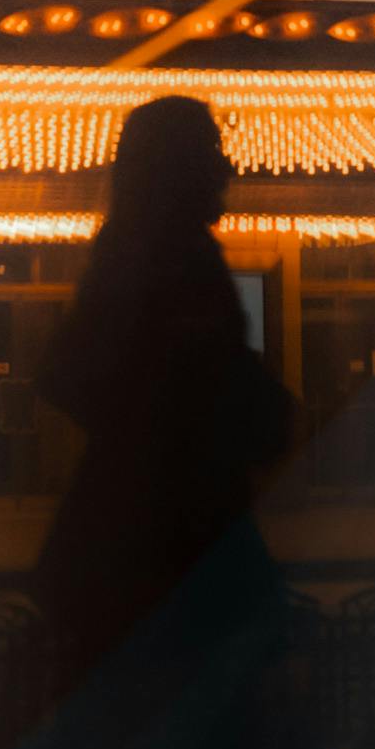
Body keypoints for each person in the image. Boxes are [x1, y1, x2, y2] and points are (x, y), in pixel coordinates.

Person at [35, 94, 295, 697]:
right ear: (176, 166)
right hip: (173, 550)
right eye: (210, 152)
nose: (225, 169)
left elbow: (66, 372)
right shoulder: (172, 257)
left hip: (138, 549)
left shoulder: (134, 247)